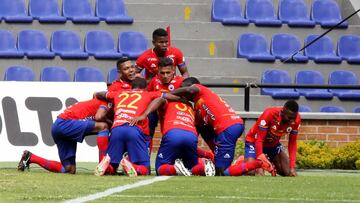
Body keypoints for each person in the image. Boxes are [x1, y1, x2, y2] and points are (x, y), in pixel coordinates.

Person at [94, 78, 182, 176]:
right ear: (145, 88)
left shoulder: (118, 93)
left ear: (131, 87)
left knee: (113, 166)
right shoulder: (148, 93)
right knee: (145, 168)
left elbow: (100, 94)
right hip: (134, 128)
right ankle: (132, 166)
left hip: (117, 128)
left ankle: (106, 165)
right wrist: (183, 100)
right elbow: (166, 96)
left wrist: (95, 94)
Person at [170, 77, 244, 176]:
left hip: (228, 127)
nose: (182, 93)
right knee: (202, 128)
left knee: (221, 171)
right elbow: (198, 131)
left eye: (182, 89)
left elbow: (189, 89)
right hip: (227, 128)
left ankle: (250, 165)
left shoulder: (200, 89)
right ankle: (215, 158)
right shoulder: (198, 106)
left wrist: (169, 94)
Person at [17, 98, 111, 174]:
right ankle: (103, 167)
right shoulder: (106, 103)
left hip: (58, 126)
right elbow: (100, 118)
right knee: (104, 127)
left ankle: (31, 157)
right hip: (65, 123)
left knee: (69, 169)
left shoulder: (102, 100)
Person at [130, 97, 215, 176]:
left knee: (160, 168)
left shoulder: (169, 102)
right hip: (191, 135)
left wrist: (145, 115)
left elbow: (159, 99)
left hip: (173, 133)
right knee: (190, 167)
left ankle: (175, 169)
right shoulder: (190, 107)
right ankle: (203, 166)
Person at [242, 100, 300, 176]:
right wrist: (260, 162)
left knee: (288, 172)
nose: (292, 121)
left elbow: (292, 143)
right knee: (251, 172)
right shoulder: (270, 113)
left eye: (294, 118)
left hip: (273, 145)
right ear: (283, 111)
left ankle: (270, 162)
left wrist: (292, 167)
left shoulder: (296, 119)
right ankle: (241, 161)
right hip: (254, 142)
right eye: (289, 118)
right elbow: (259, 140)